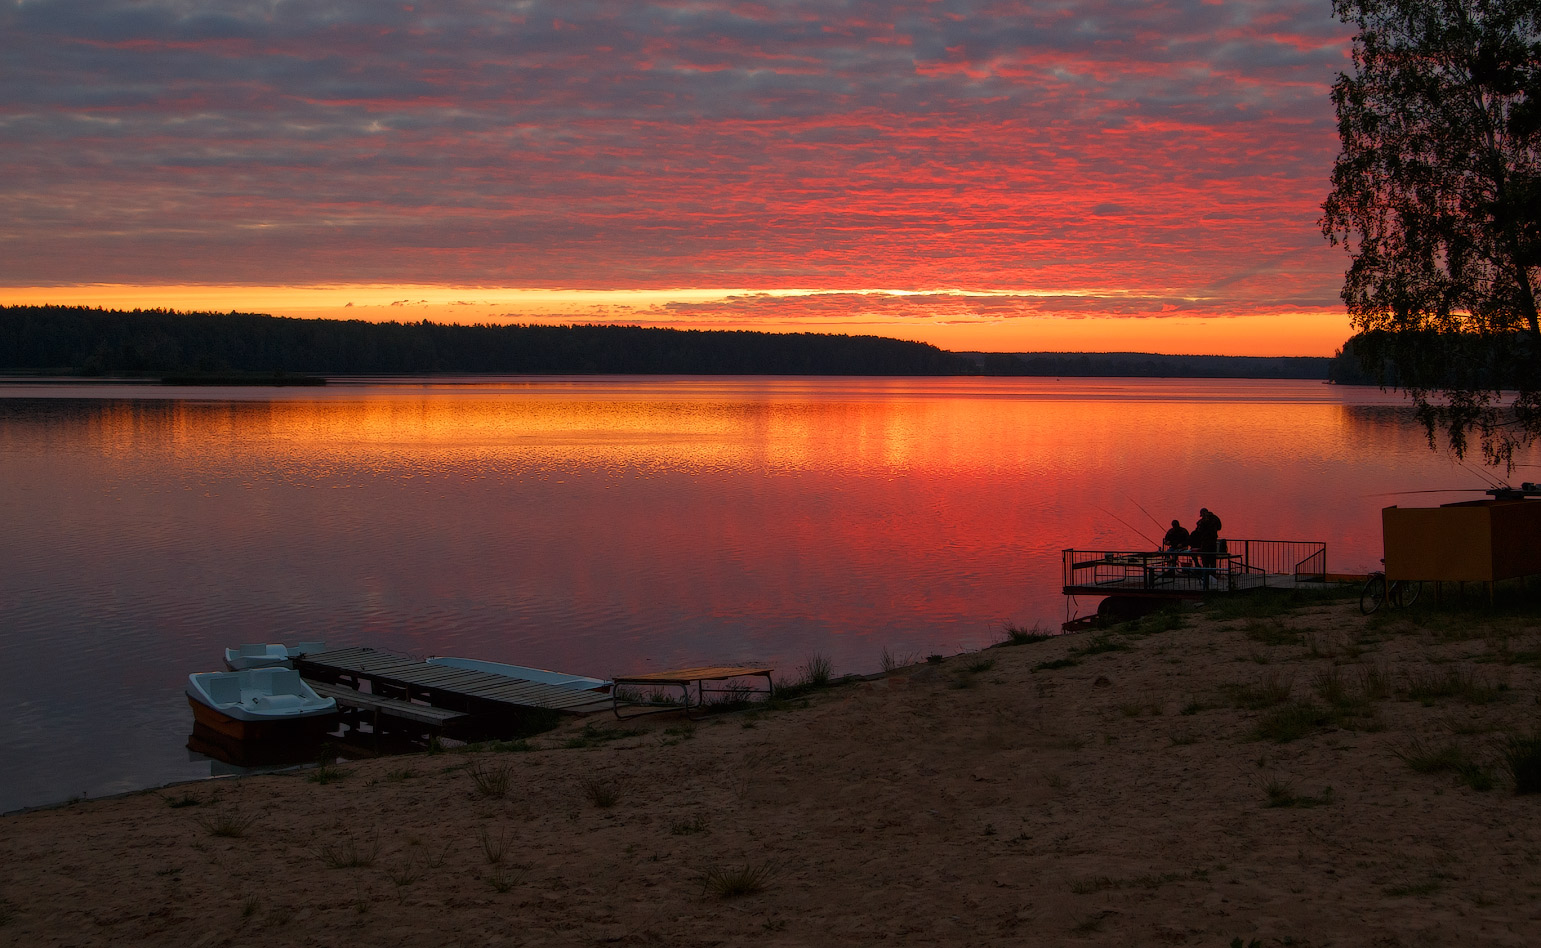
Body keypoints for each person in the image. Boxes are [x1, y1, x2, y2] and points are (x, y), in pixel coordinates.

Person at [1191, 508, 1223, 587]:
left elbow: (1199, 530)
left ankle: (1206, 578)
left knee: (1205, 560)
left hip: (1206, 542)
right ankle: (1212, 576)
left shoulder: (1202, 521)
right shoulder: (1215, 518)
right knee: (1212, 560)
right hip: (1213, 542)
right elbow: (1219, 527)